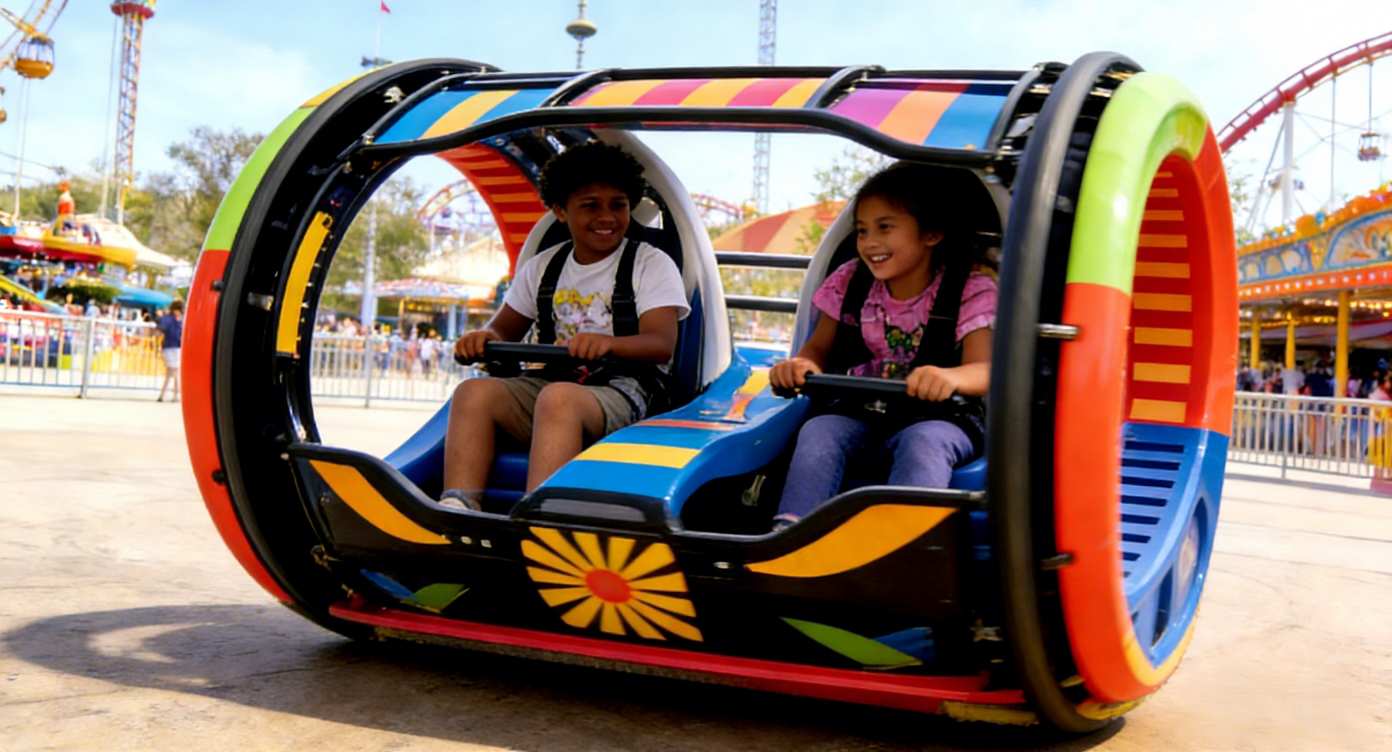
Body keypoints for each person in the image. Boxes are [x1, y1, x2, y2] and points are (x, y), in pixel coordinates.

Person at [441, 142, 689, 509]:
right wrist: (483, 339)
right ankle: (459, 504)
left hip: (627, 391)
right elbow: (502, 330)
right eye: (590, 206)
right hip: (553, 385)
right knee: (473, 394)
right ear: (560, 211)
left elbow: (660, 343)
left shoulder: (650, 264)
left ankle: (538, 514)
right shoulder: (542, 267)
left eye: (617, 205)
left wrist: (608, 344)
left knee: (558, 400)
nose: (606, 217)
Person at [767, 163, 997, 528]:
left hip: (940, 417)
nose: (869, 242)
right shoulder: (850, 282)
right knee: (819, 430)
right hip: (862, 411)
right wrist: (801, 366)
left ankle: (903, 544)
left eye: (885, 228)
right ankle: (793, 534)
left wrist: (948, 378)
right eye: (861, 231)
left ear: (932, 233)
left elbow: (984, 369)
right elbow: (818, 349)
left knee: (924, 442)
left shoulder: (970, 290)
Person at [156, 300, 184, 403]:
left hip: (177, 347)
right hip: (169, 347)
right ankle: (175, 395)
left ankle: (163, 395)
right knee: (174, 371)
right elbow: (159, 331)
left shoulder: (180, 320)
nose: (180, 312)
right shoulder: (168, 319)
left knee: (171, 372)